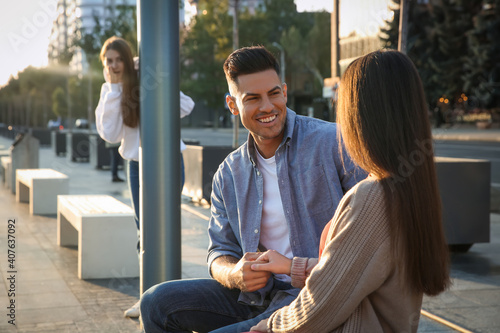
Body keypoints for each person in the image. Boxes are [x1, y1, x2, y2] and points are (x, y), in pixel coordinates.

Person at [140, 46, 366, 332]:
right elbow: (218, 252)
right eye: (253, 98)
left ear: (284, 92)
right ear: (233, 106)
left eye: (274, 93)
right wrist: (234, 274)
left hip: (318, 296)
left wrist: (294, 266)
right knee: (156, 303)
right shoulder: (229, 173)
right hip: (257, 296)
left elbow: (367, 240)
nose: (268, 106)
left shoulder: (334, 143)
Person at [248, 50, 451, 333]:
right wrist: (293, 266)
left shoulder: (372, 197)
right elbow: (357, 268)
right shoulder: (409, 186)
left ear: (360, 118)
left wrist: (267, 327)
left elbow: (318, 308)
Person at [95, 36, 195, 318]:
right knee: (145, 234)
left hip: (167, 161)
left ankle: (171, 299)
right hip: (137, 165)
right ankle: (148, 299)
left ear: (128, 59)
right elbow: (110, 134)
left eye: (119, 59)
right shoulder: (113, 90)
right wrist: (114, 88)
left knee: (165, 230)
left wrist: (151, 75)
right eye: (109, 61)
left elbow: (187, 107)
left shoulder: (146, 78)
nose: (115, 65)